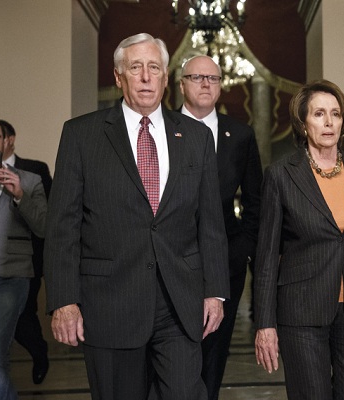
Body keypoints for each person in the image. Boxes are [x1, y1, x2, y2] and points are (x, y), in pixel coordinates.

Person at [44, 33, 229, 400]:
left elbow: (210, 223)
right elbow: (63, 226)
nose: (146, 77)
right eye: (135, 68)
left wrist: (216, 292)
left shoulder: (195, 137)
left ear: (165, 77)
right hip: (110, 302)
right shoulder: (81, 134)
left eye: (154, 68)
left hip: (179, 301)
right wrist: (64, 301)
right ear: (118, 77)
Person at [253, 80, 344, 399]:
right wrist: (264, 324)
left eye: (335, 113)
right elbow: (266, 257)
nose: (329, 122)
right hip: (301, 310)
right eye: (319, 114)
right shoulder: (282, 174)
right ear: (303, 122)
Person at [179, 55, 263, 400]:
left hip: (226, 261)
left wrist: (243, 249)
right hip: (171, 257)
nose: (205, 84)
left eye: (212, 78)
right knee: (172, 348)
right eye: (196, 77)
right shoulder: (161, 128)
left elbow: (256, 200)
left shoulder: (240, 134)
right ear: (181, 84)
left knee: (214, 350)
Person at [0, 117, 47, 399]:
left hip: (12, 277)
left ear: (6, 141)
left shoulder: (29, 179)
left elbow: (44, 227)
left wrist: (20, 196)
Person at [0, 119, 53, 385]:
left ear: (10, 139)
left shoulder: (34, 169)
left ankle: (39, 353)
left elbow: (47, 215)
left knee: (23, 314)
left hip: (28, 258)